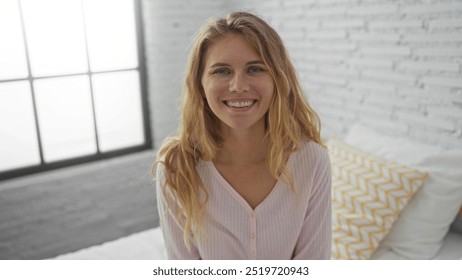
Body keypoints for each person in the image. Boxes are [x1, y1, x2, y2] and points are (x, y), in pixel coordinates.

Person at [153, 11, 331, 260]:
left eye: (255, 69)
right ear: (200, 85)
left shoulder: (312, 160)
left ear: (278, 79)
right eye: (222, 71)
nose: (238, 86)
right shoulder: (176, 169)